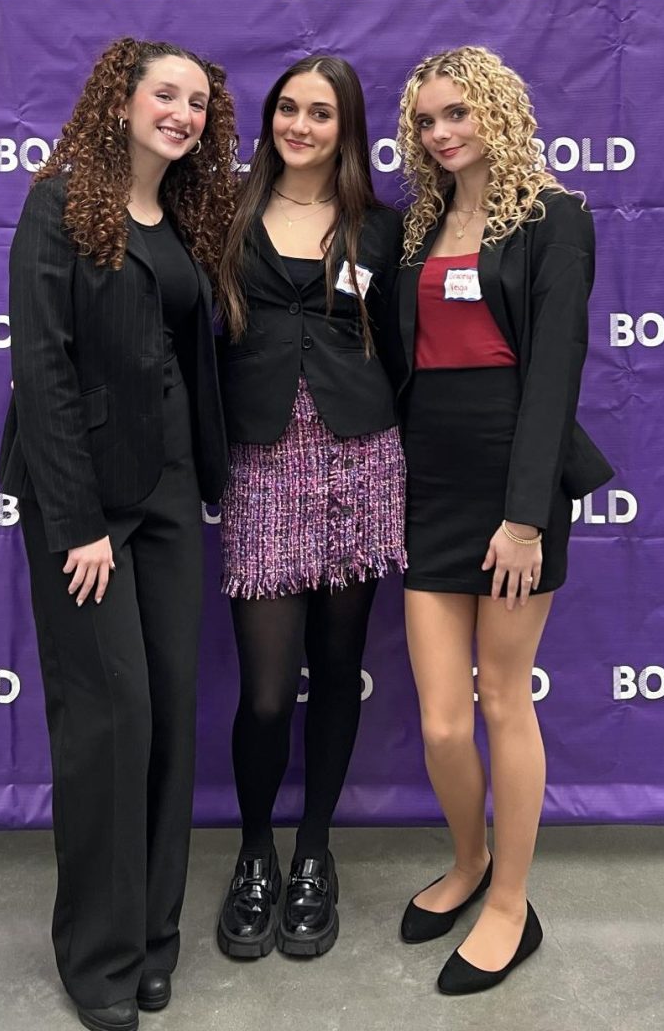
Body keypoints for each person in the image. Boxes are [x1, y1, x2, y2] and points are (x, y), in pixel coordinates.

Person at [0, 37, 237, 1031]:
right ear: (120, 99)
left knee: (169, 718)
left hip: (174, 499)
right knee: (111, 724)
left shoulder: (181, 214)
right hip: (87, 511)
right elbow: (44, 372)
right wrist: (78, 521)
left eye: (197, 101)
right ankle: (95, 961)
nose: (181, 112)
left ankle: (150, 943)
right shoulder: (57, 202)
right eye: (165, 95)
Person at [390, 46, 612, 996]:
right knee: (442, 725)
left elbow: (554, 368)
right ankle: (467, 859)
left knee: (501, 703)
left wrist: (525, 518)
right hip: (427, 483)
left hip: (512, 490)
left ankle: (510, 902)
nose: (443, 134)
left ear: (498, 113)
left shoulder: (555, 218)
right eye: (428, 120)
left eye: (459, 114)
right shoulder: (419, 225)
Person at [212, 54, 405, 960]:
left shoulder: (384, 230)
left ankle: (315, 853)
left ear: (346, 128)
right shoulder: (224, 217)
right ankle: (254, 851)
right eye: (287, 108)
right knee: (262, 693)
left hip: (359, 464)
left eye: (320, 113)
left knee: (336, 671)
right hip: (260, 465)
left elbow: (403, 352)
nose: (300, 125)